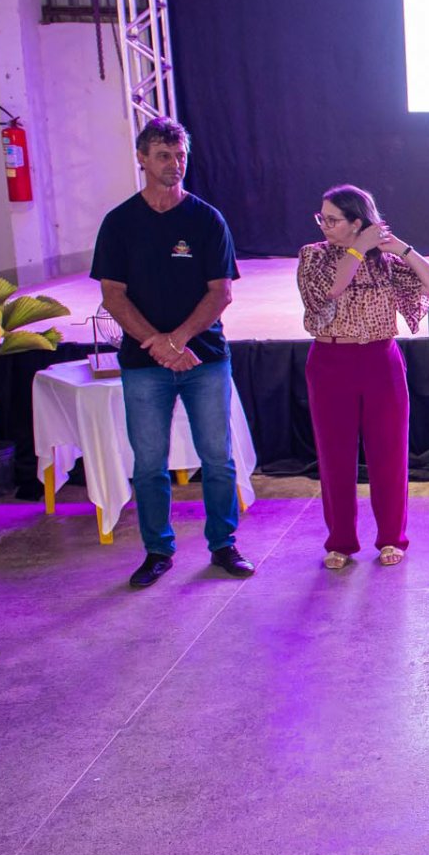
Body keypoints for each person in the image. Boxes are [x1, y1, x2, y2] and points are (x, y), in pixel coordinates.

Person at [91, 117, 251, 589]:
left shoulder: (206, 219)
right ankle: (158, 551)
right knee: (148, 463)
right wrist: (159, 345)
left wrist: (177, 340)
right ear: (142, 158)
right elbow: (113, 296)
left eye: (180, 155)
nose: (174, 164)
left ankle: (223, 544)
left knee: (217, 459)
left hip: (205, 359)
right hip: (145, 365)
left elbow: (221, 293)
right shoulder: (119, 222)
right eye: (163, 156)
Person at [296, 185, 429, 570]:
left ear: (357, 222)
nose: (324, 225)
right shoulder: (314, 255)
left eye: (333, 219)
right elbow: (330, 290)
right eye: (322, 218)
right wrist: (357, 249)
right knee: (335, 456)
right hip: (331, 361)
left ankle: (392, 538)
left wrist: (402, 249)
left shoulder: (385, 261)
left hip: (381, 360)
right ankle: (340, 541)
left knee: (389, 454)